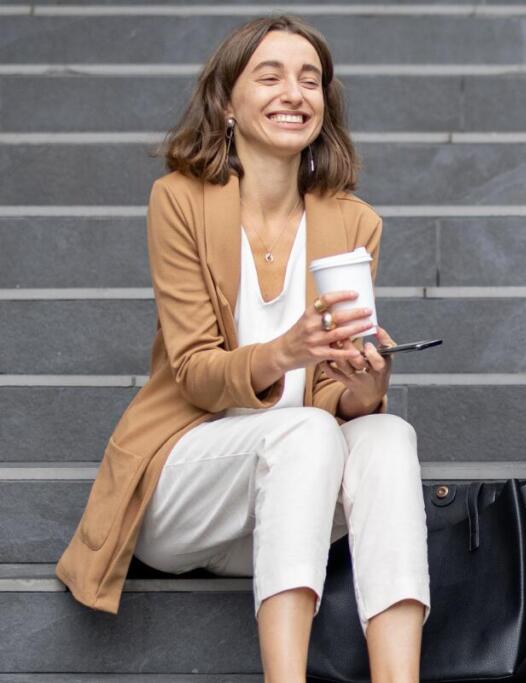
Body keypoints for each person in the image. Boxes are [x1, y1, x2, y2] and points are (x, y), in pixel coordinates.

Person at [56, 16, 429, 683]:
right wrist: (287, 349)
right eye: (271, 75)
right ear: (228, 101)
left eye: (310, 80)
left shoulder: (353, 221)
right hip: (186, 488)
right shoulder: (180, 201)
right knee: (309, 432)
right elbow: (196, 373)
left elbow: (332, 397)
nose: (295, 93)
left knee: (388, 433)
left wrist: (368, 380)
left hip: (293, 512)